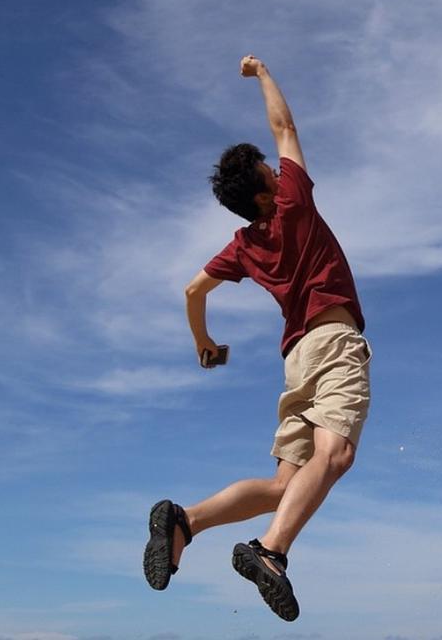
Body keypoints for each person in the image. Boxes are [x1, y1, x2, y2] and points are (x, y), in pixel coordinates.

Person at [143, 55, 371, 621]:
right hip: (333, 343)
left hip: (296, 359)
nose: (277, 167)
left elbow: (193, 292)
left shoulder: (244, 244)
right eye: (270, 169)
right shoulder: (293, 203)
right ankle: (271, 552)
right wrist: (264, 74)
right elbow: (286, 128)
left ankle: (185, 521)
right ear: (268, 190)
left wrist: (205, 344)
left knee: (284, 486)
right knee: (336, 454)